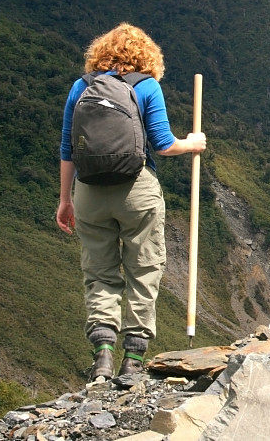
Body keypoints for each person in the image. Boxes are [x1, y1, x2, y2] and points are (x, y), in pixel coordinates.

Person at [55, 23, 206, 381]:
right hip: (137, 190)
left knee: (99, 274)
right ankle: (133, 361)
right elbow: (164, 144)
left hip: (88, 192)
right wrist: (194, 143)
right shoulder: (146, 86)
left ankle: (102, 358)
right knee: (143, 270)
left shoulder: (82, 87)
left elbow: (67, 149)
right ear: (147, 56)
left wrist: (65, 200)